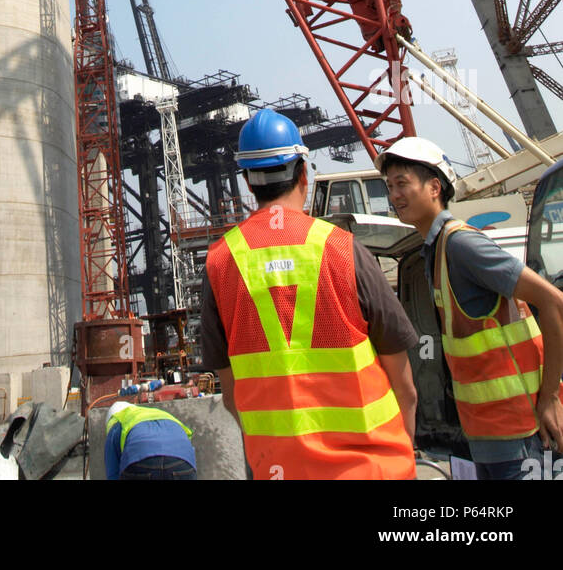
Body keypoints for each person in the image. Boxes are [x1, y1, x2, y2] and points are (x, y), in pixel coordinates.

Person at [201, 109, 418, 481]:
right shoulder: (342, 248)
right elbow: (405, 388)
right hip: (373, 470)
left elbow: (232, 396)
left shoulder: (220, 263)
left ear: (247, 182)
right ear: (303, 172)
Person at [376, 137, 563, 481]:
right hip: (487, 436)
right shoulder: (434, 251)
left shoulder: (461, 244)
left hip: (520, 434)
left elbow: (553, 301)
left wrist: (550, 397)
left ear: (435, 187)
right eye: (389, 186)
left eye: (402, 183)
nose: (394, 195)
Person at [105, 400, 197, 480]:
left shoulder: (116, 424)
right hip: (182, 462)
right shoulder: (161, 415)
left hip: (142, 462)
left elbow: (113, 474)